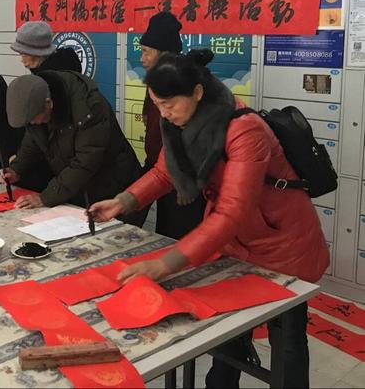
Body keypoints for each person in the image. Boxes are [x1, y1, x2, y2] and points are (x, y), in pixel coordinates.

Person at [89, 52, 329, 389]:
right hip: (236, 243)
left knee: (287, 338)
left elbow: (232, 211)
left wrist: (165, 264)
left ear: (198, 92)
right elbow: (165, 172)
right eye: (157, 104)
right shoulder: (179, 125)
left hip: (282, 244)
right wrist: (123, 201)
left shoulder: (245, 130)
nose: (164, 113)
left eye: (169, 104)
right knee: (229, 333)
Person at [1, 72, 142, 212]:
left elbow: (85, 162)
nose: (32, 123)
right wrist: (16, 169)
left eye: (33, 119)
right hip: (80, 187)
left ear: (48, 103)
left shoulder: (88, 108)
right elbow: (33, 142)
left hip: (115, 189)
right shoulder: (37, 105)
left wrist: (45, 197)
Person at [139, 12, 206, 238]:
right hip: (162, 171)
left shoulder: (182, 84)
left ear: (162, 53)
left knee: (183, 238)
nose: (142, 58)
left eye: (146, 51)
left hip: (183, 179)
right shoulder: (157, 80)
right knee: (165, 232)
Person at [11, 21, 82, 74]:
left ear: (36, 54)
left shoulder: (45, 82)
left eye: (24, 55)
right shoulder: (69, 63)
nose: (22, 60)